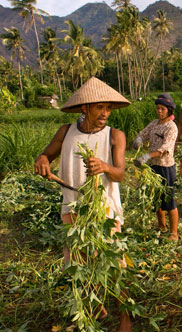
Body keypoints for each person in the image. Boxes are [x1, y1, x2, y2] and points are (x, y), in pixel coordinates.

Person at [34, 76, 132, 332]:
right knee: (80, 262)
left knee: (113, 263)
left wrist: (105, 167)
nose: (106, 113)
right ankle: (95, 307)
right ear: (85, 108)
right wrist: (43, 160)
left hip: (105, 209)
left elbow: (120, 173)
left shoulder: (115, 136)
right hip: (74, 208)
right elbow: (47, 153)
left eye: (108, 108)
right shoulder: (66, 132)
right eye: (100, 107)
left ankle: (125, 317)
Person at [133, 92, 179, 241]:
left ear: (169, 110)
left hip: (165, 167)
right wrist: (139, 140)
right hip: (153, 167)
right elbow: (144, 133)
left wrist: (147, 156)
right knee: (156, 199)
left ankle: (174, 232)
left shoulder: (171, 127)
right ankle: (161, 226)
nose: (159, 111)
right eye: (158, 108)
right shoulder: (154, 123)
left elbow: (165, 149)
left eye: (162, 109)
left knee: (169, 200)